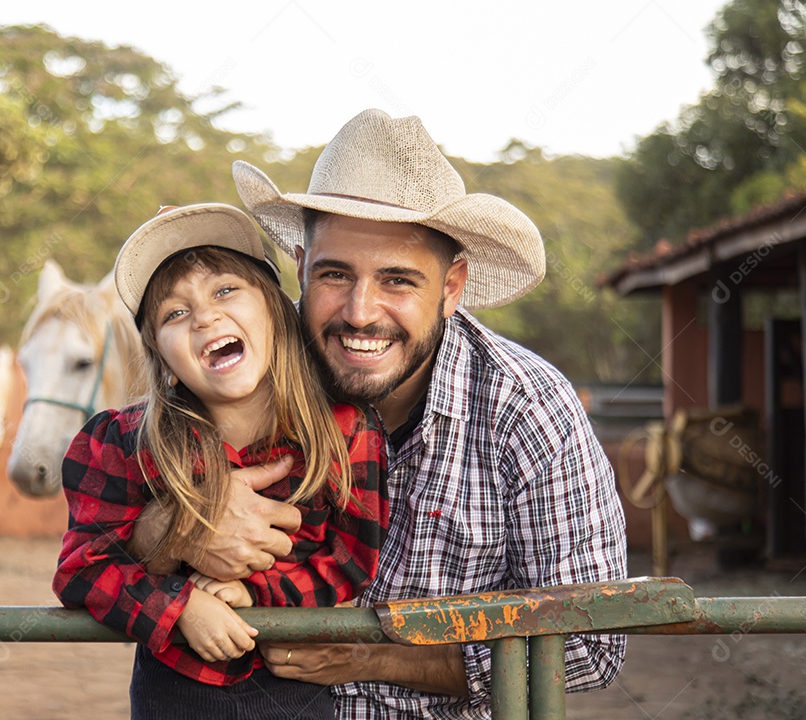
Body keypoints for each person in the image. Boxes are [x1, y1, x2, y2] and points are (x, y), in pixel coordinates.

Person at [131, 110, 628, 719]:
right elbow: (103, 526)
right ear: (300, 265)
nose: (360, 312)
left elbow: (592, 644)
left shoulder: (527, 410)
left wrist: (371, 655)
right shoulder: (236, 363)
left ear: (451, 287)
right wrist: (177, 521)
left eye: (397, 280)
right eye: (335, 274)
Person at [51, 203, 389, 719]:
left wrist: (254, 593)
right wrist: (181, 606)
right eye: (174, 313)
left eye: (225, 290)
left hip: (297, 695)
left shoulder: (343, 432)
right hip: (174, 696)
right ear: (161, 356)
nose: (205, 317)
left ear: (276, 311)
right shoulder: (124, 444)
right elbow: (81, 570)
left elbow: (351, 559)